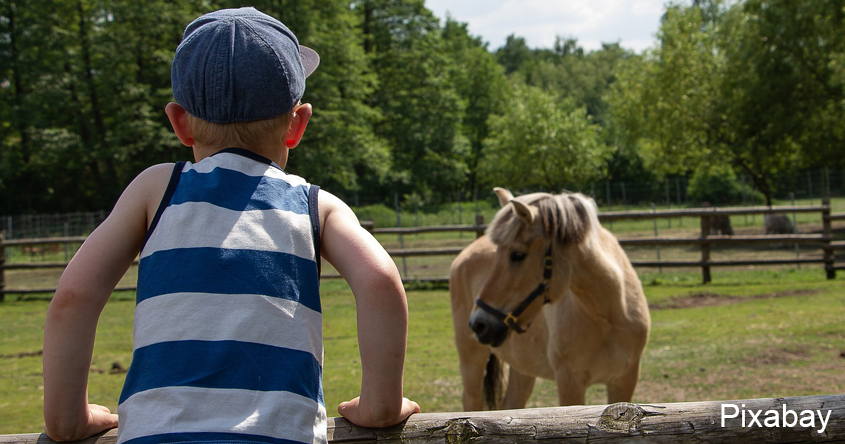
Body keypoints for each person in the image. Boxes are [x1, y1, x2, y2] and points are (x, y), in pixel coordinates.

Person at [42, 7, 419, 444]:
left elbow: (73, 297)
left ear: (180, 123)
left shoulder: (155, 189)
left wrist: (67, 421)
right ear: (297, 124)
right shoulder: (314, 205)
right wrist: (380, 405)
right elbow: (380, 281)